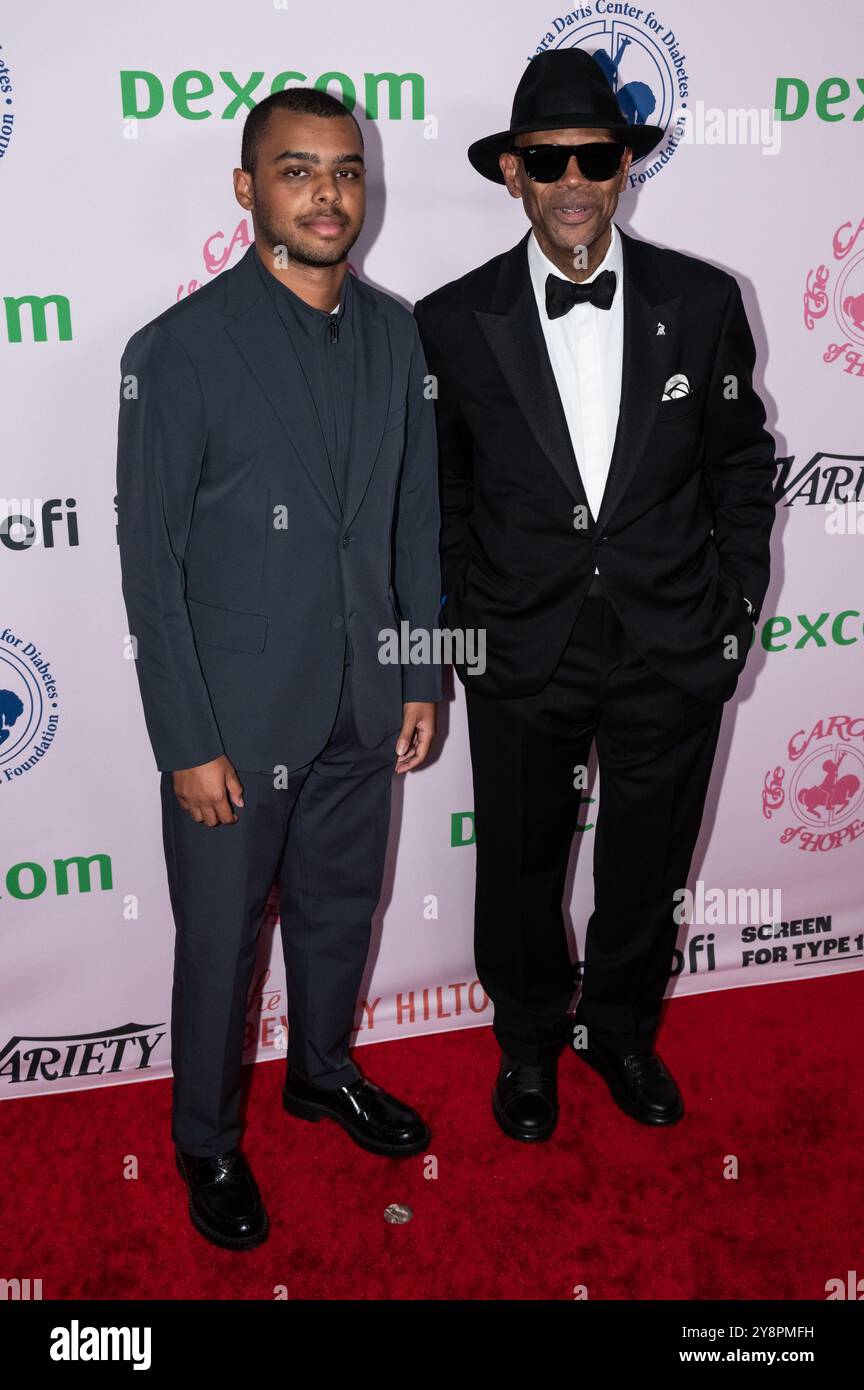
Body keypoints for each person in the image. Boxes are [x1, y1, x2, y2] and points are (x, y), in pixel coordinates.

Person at [414, 49, 775, 1142]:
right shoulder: (449, 320)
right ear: (514, 174)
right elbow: (443, 499)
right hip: (526, 648)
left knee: (646, 862)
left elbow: (742, 467)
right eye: (548, 159)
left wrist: (733, 610)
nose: (573, 180)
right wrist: (465, 634)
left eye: (595, 157)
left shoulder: (704, 300)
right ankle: (528, 1045)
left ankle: (619, 1030)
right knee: (519, 867)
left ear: (624, 168)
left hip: (672, 641)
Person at [116, 88, 441, 1248]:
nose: (327, 194)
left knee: (340, 909)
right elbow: (148, 566)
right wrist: (186, 741)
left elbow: (412, 521)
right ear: (247, 187)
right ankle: (205, 1140)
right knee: (219, 941)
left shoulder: (402, 333)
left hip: (364, 696)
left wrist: (419, 673)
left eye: (346, 171)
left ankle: (321, 1070)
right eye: (297, 171)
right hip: (236, 723)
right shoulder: (177, 350)